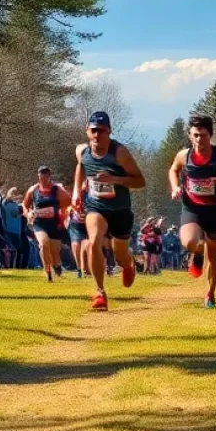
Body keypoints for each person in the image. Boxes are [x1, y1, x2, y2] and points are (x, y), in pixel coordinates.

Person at [168, 114, 216, 308]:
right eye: (195, 135)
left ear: (210, 135)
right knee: (190, 242)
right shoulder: (184, 156)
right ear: (190, 135)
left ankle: (210, 293)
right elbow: (173, 169)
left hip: (215, 209)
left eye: (203, 135)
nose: (199, 139)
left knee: (214, 256)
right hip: (192, 207)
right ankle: (197, 253)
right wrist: (176, 187)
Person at [73, 111, 146, 311]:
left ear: (109, 131)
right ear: (87, 131)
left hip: (120, 209)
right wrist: (75, 192)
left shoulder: (119, 153)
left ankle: (128, 264)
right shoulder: (83, 151)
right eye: (94, 131)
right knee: (93, 241)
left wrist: (114, 179)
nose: (98, 135)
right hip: (96, 206)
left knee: (120, 253)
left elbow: (140, 181)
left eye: (102, 131)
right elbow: (80, 166)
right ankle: (99, 292)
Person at [23, 165, 72, 282]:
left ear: (49, 176)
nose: (43, 177)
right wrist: (28, 214)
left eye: (46, 174)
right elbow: (25, 205)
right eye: (41, 174)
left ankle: (57, 264)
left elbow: (69, 201)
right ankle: (48, 271)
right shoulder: (33, 189)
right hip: (39, 223)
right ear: (38, 176)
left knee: (55, 251)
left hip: (54, 224)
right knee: (44, 244)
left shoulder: (57, 189)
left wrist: (61, 211)